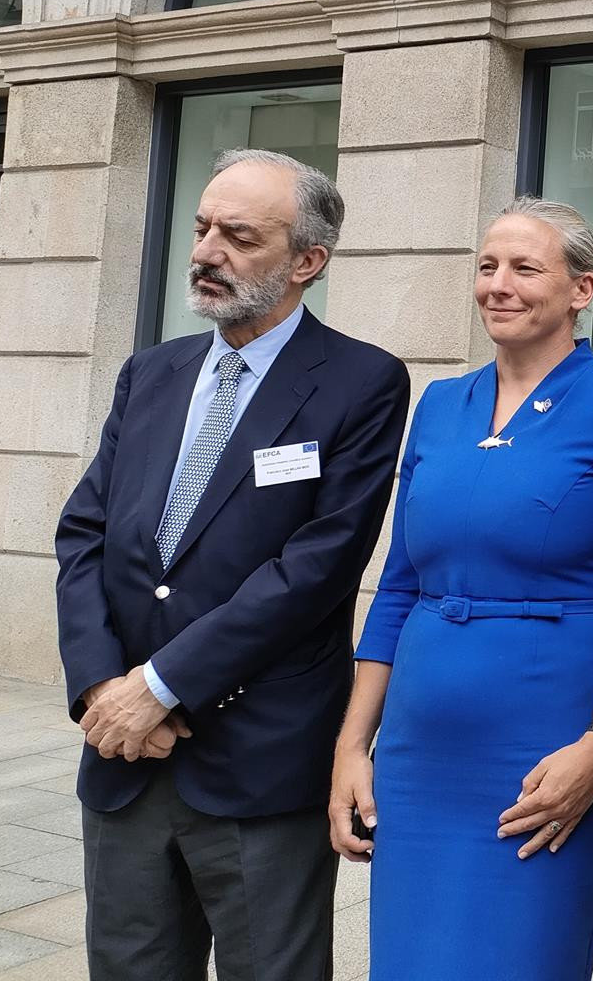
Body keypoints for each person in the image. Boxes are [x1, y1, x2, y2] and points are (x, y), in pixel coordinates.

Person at [53, 149, 410, 981]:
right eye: (204, 226)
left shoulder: (361, 382)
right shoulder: (152, 372)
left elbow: (315, 567)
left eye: (239, 236)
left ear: (307, 262)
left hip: (260, 760)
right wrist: (105, 686)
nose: (207, 250)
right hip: (123, 762)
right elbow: (84, 535)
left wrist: (161, 684)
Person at [329, 197, 593, 981]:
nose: (499, 284)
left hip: (544, 747)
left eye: (525, 267)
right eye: (488, 266)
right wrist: (354, 746)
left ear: (582, 289)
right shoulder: (439, 405)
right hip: (420, 749)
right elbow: (396, 587)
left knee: (521, 958)